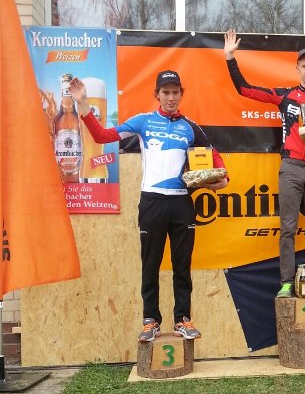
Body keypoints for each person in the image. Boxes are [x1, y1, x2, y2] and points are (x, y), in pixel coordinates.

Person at [70, 70, 229, 341]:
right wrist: (83, 103)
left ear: (181, 94)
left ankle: (182, 320)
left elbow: (215, 158)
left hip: (181, 202)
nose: (171, 97)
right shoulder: (143, 121)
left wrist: (221, 179)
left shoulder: (190, 127)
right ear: (157, 95)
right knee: (150, 264)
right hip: (152, 201)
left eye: (175, 92)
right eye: (165, 92)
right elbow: (101, 136)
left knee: (182, 265)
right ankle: (150, 321)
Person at [223, 29, 305, 297]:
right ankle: (287, 283)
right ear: (297, 69)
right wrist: (230, 58)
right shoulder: (286, 96)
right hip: (291, 167)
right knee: (288, 228)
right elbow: (245, 90)